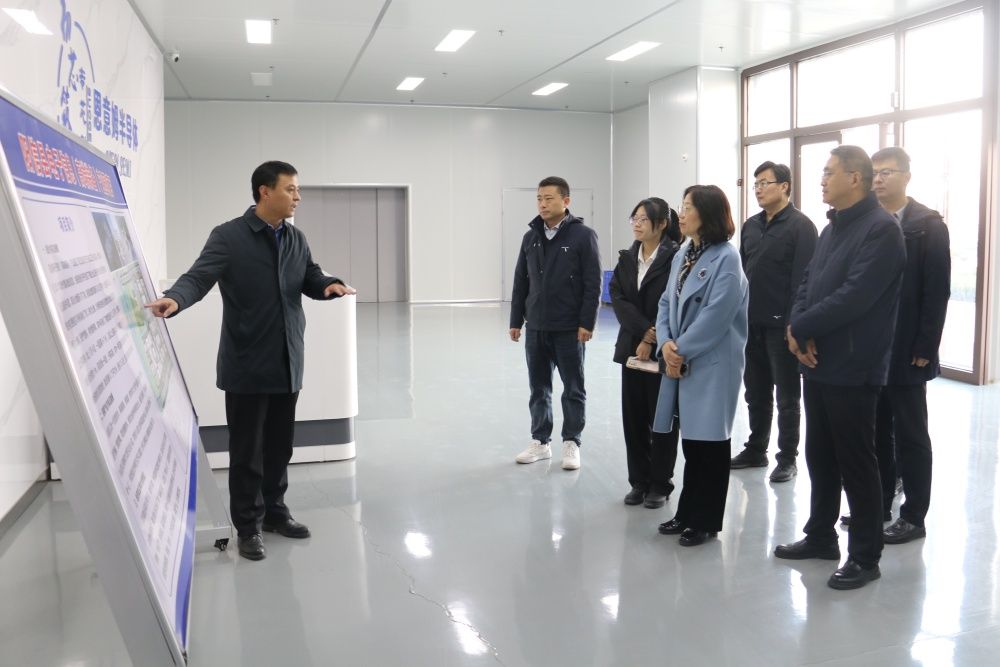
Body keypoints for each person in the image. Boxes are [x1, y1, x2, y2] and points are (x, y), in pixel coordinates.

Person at [145, 161, 355, 561]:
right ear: (265, 191)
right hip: (247, 364)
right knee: (247, 453)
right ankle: (248, 526)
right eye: (291, 189)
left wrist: (328, 284)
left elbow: (309, 275)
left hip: (288, 361)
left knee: (280, 447)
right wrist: (175, 299)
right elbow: (198, 277)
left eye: (297, 190)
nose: (297, 196)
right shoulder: (229, 237)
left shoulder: (295, 238)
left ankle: (275, 512)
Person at [774, 146, 905, 590]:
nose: (822, 180)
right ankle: (820, 536)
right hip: (818, 361)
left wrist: (802, 326)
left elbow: (856, 295)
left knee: (856, 462)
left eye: (829, 172)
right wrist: (796, 325)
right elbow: (808, 282)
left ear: (855, 178)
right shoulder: (834, 227)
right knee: (820, 455)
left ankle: (865, 557)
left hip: (854, 364)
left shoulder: (882, 230)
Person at [653, 185, 749, 547]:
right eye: (681, 207)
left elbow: (717, 316)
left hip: (711, 362)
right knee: (691, 442)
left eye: (688, 208)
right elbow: (666, 302)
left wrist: (680, 350)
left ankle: (706, 521)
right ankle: (686, 512)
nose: (681, 214)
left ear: (707, 214)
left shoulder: (727, 258)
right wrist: (665, 344)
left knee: (710, 443)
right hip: (681, 356)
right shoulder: (684, 252)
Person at [871, 146, 951, 544]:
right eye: (874, 172)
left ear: (906, 176)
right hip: (871, 349)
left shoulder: (927, 225)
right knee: (876, 432)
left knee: (911, 435)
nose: (879, 179)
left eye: (887, 172)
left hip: (907, 349)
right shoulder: (869, 222)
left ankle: (914, 516)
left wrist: (925, 345)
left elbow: (937, 290)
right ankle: (879, 503)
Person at [731, 162, 817, 482]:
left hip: (782, 327)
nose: (758, 189)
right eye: (755, 184)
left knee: (787, 397)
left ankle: (787, 458)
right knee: (755, 392)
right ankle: (756, 448)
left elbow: (804, 282)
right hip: (750, 322)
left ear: (784, 186)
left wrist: (796, 325)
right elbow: (741, 273)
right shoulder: (751, 225)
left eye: (764, 183)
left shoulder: (801, 227)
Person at [510, 177, 601, 470]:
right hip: (536, 326)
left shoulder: (583, 236)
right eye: (539, 198)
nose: (543, 204)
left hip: (569, 328)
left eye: (549, 198)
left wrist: (587, 322)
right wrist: (516, 320)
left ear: (566, 201)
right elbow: (520, 281)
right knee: (538, 388)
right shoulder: (531, 237)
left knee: (573, 387)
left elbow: (593, 283)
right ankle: (541, 441)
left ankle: (572, 442)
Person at [609, 198, 680, 508]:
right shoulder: (628, 257)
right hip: (631, 348)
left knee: (662, 418)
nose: (636, 224)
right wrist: (643, 331)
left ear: (661, 224)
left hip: (663, 349)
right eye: (634, 219)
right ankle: (638, 481)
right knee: (634, 418)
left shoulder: (675, 258)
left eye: (643, 219)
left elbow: (673, 302)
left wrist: (653, 337)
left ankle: (660, 483)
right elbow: (618, 297)